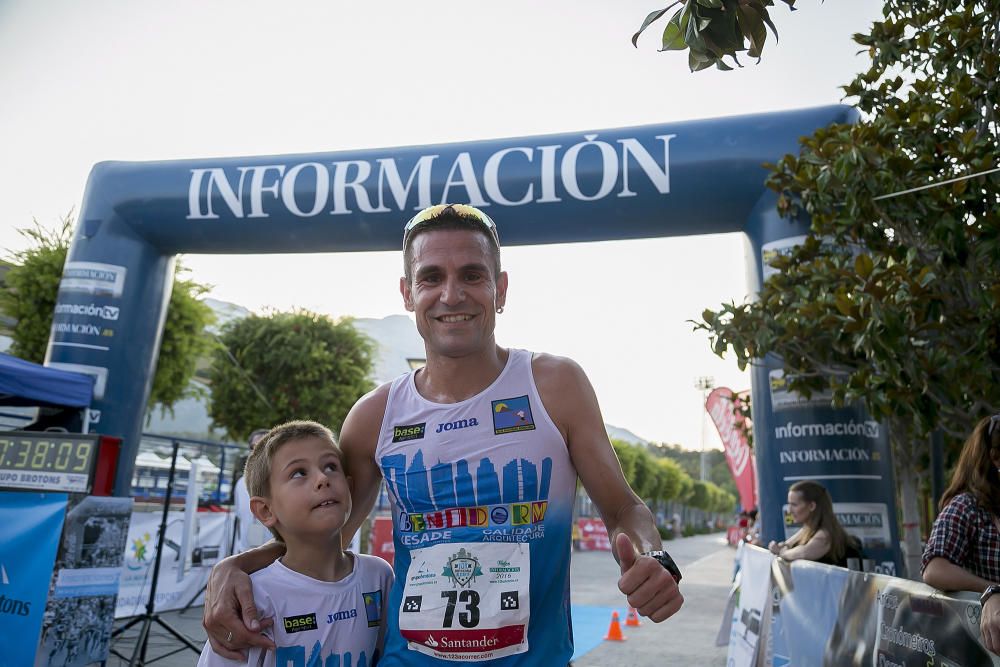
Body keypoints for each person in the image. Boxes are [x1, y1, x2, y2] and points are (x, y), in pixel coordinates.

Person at [203, 203, 684, 664]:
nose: (451, 295)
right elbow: (320, 536)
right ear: (408, 293)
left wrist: (652, 557)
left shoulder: (555, 385)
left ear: (500, 287)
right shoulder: (375, 415)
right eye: (431, 277)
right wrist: (236, 567)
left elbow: (623, 508)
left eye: (472, 275)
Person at [198, 420, 393, 666]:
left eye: (331, 466)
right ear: (265, 510)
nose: (323, 478)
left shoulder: (379, 576)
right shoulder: (253, 599)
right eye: (299, 472)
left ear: (350, 488)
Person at [921, 414, 1000, 655]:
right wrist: (992, 591)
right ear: (995, 458)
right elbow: (934, 568)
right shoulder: (967, 506)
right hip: (983, 647)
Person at [767, 480, 859, 565]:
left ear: (811, 506)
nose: (790, 510)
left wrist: (781, 553)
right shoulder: (807, 528)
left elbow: (804, 553)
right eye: (789, 504)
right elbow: (786, 545)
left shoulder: (825, 534)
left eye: (794, 505)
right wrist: (781, 548)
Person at [232, 429, 271, 554]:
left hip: (276, 558)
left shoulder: (285, 482)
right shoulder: (240, 484)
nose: (257, 451)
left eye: (263, 446)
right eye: (253, 447)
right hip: (245, 555)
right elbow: (239, 519)